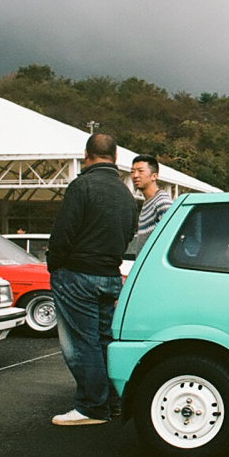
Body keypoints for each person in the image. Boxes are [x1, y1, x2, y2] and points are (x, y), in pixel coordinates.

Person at [47, 134, 139, 426]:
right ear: (115, 157)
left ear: (86, 155)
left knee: (82, 343)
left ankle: (90, 407)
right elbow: (129, 233)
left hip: (77, 275)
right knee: (103, 342)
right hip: (110, 275)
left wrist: (55, 264)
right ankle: (113, 402)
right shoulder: (125, 193)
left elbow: (64, 232)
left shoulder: (81, 186)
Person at [129, 153, 174, 256]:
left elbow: (171, 239)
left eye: (140, 171)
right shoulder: (147, 203)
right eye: (132, 171)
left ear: (154, 176)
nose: (135, 175)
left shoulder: (162, 202)